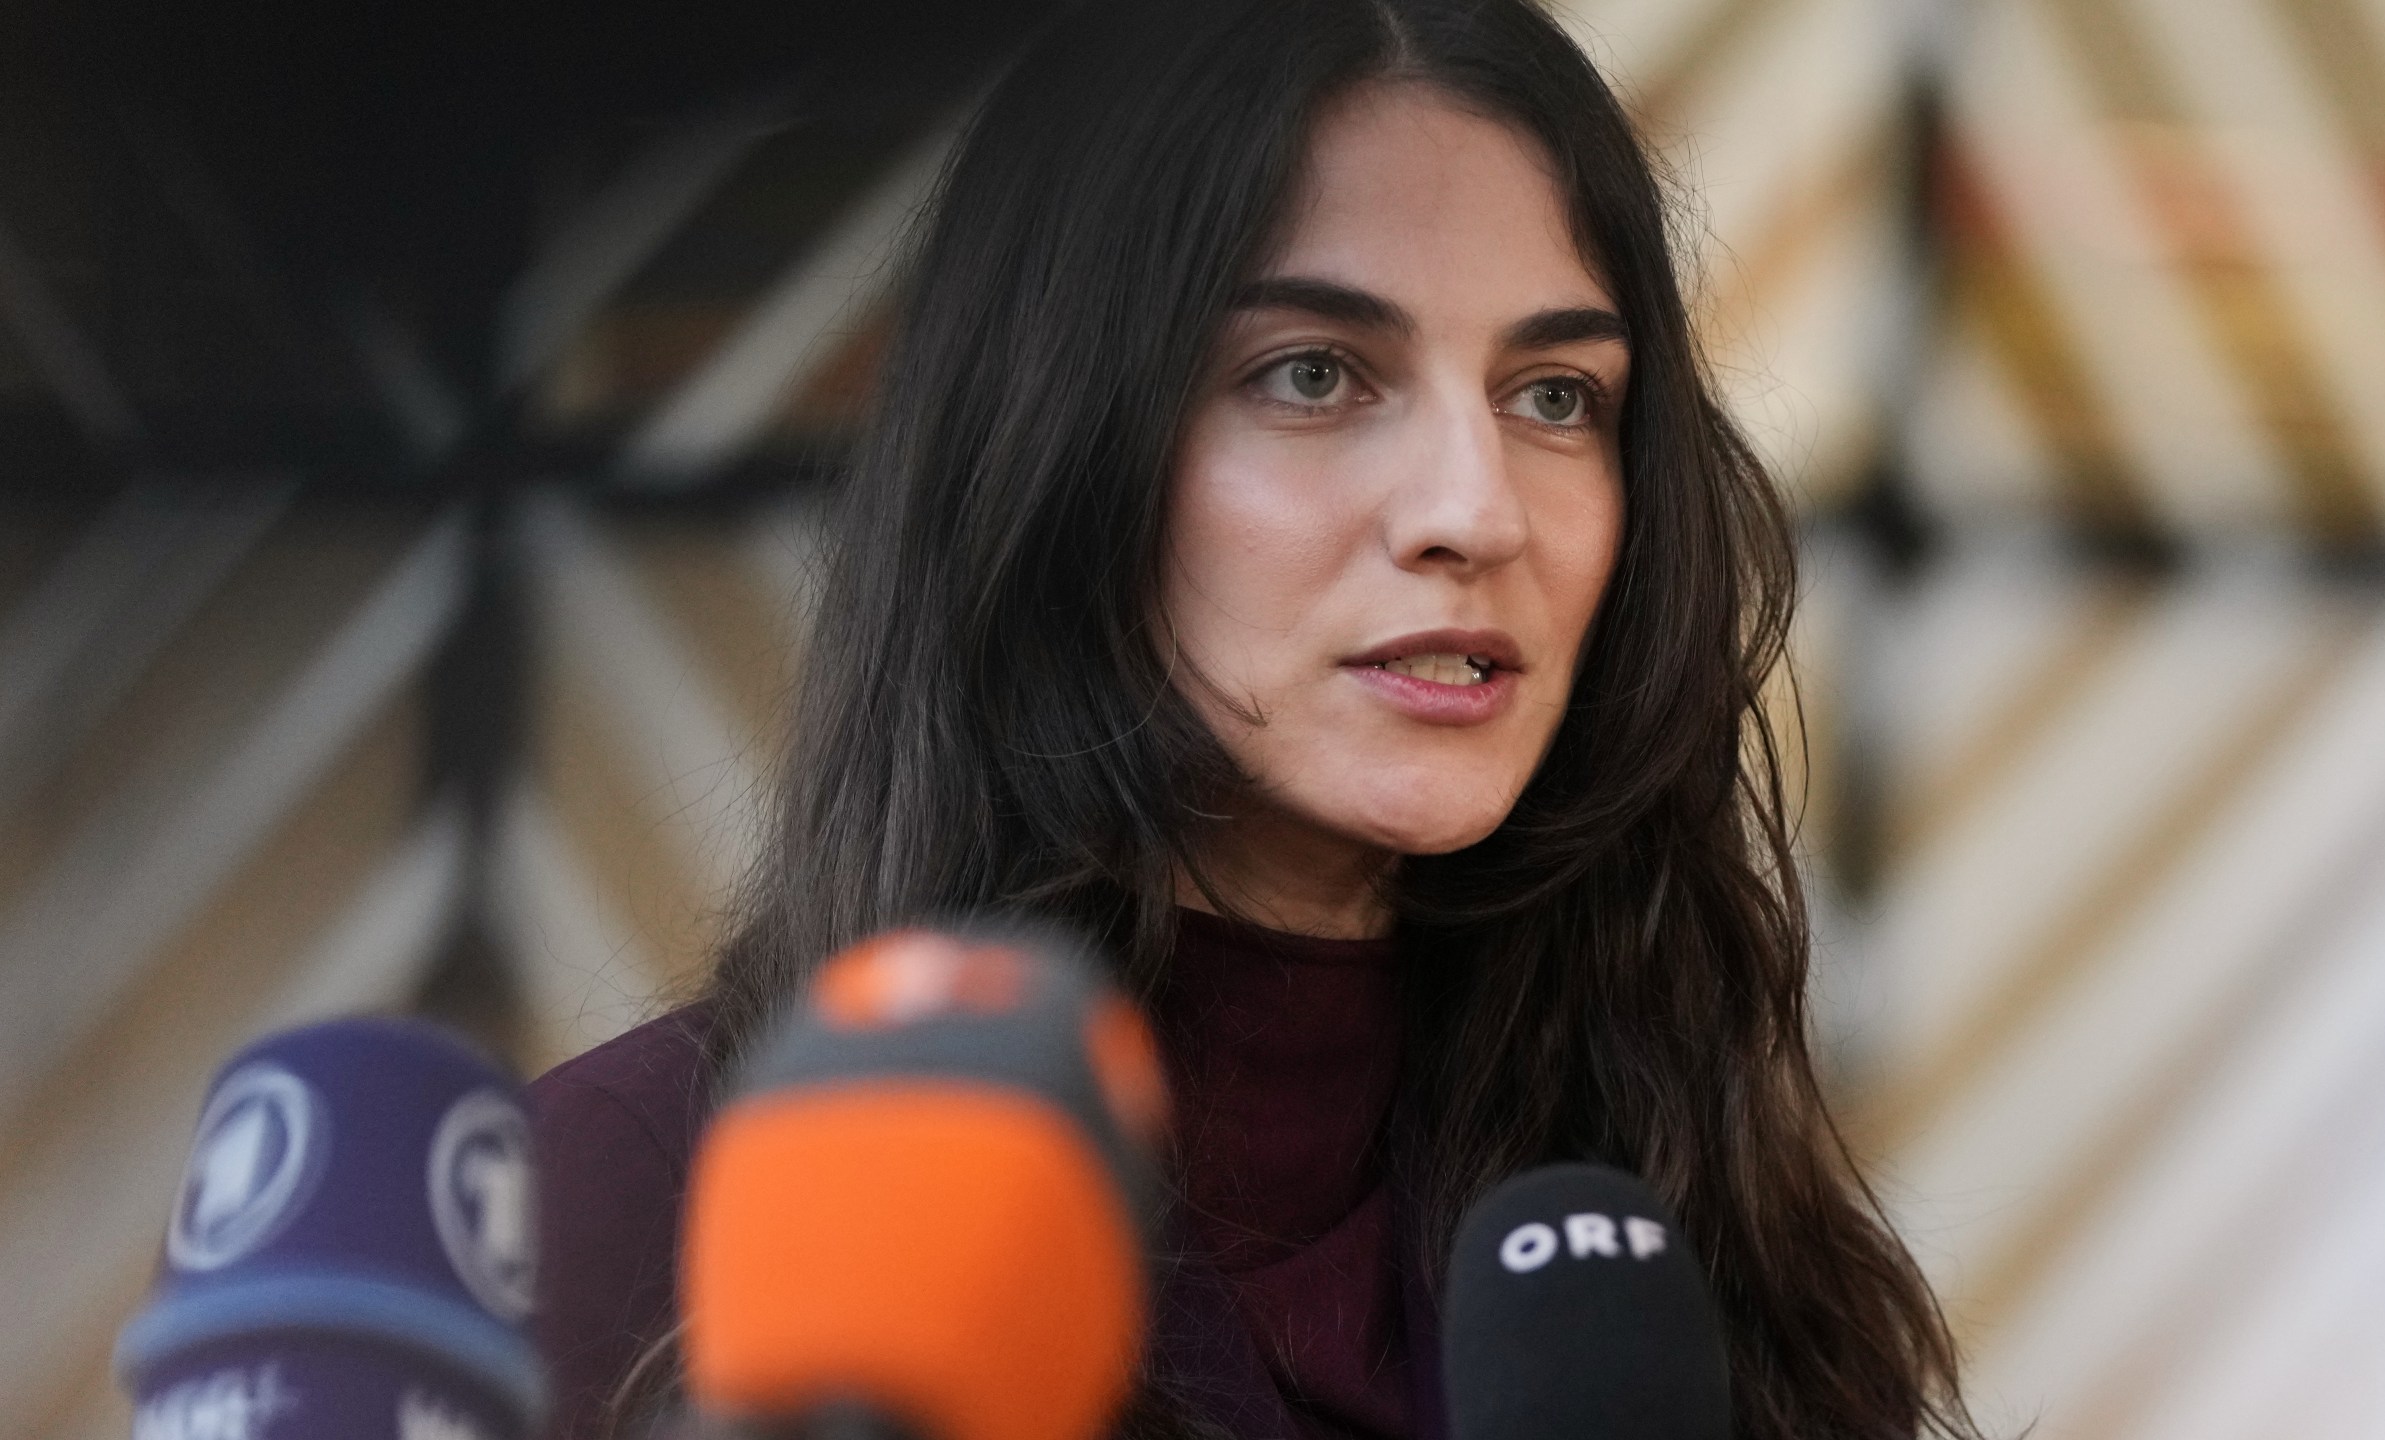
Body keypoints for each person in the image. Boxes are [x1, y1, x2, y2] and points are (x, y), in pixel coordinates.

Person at [530, 1, 1978, 1437]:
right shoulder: (631, 1217)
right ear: (1058, 444)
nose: (1473, 512)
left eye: (1554, 395)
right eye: (1315, 375)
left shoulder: (1694, 1251)